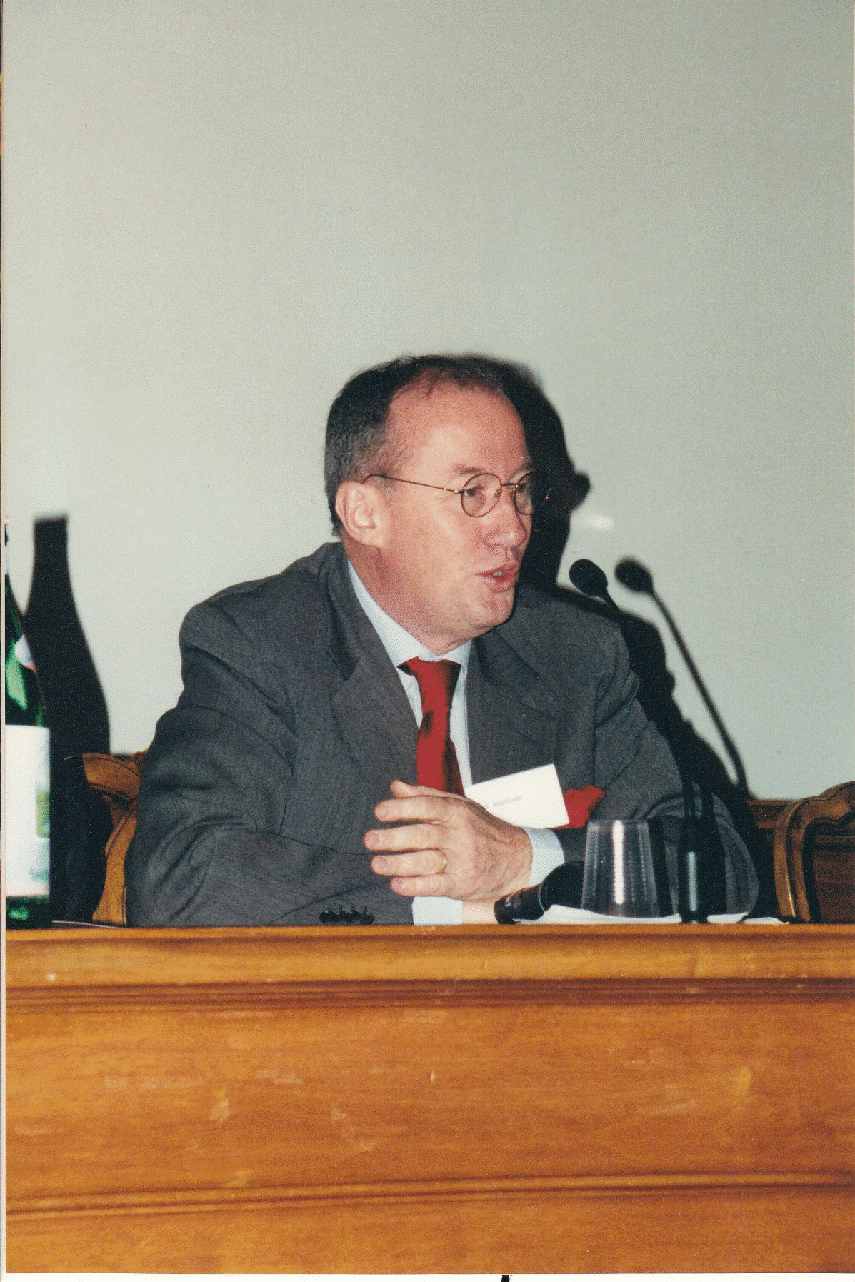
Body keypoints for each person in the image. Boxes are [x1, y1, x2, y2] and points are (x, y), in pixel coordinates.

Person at [125, 355, 757, 925]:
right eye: (472, 492)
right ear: (365, 513)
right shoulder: (259, 642)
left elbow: (723, 867)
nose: (513, 528)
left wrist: (524, 859)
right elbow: (180, 880)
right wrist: (448, 906)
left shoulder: (575, 652)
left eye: (520, 490)